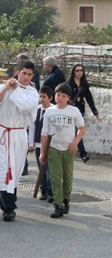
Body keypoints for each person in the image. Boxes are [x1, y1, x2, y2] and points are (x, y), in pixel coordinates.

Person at [0, 60, 39, 221]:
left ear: (32, 76)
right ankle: (8, 207)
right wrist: (6, 88)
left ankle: (10, 203)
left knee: (14, 168)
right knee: (2, 167)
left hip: (18, 134)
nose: (26, 77)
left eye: (29, 74)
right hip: (1, 132)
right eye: (23, 73)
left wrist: (15, 90)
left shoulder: (32, 93)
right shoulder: (3, 87)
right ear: (18, 72)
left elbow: (26, 107)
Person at [40, 83, 85, 218]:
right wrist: (43, 152)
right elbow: (44, 133)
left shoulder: (73, 111)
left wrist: (75, 143)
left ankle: (66, 199)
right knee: (55, 177)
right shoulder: (49, 111)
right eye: (58, 95)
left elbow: (81, 128)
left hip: (68, 149)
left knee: (67, 177)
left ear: (68, 98)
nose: (60, 98)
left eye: (63, 96)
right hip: (54, 148)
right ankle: (57, 204)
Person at [67, 64, 100, 163]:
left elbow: (89, 99)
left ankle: (82, 153)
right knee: (73, 131)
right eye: (77, 71)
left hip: (80, 109)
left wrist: (95, 112)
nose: (79, 72)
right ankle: (82, 153)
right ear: (73, 72)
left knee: (77, 131)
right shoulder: (69, 83)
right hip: (70, 109)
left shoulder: (84, 85)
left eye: (81, 70)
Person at [28, 86, 54, 201]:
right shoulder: (37, 110)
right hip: (38, 143)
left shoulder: (53, 110)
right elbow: (32, 127)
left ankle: (50, 191)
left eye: (44, 97)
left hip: (50, 144)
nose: (42, 99)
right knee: (41, 169)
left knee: (49, 169)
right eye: (40, 96)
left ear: (50, 98)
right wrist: (31, 143)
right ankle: (43, 190)